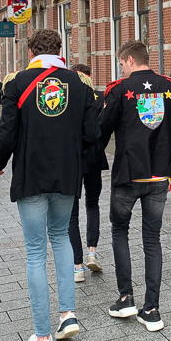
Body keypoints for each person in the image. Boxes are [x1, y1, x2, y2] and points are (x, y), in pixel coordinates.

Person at [0, 29, 100, 341]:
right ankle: (68, 315)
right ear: (60, 49)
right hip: (66, 174)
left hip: (31, 175)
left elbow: (6, 133)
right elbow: (92, 133)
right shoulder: (80, 84)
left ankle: (42, 336)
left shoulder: (18, 83)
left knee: (36, 252)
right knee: (61, 238)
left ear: (31, 51)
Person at [100, 40, 171, 333]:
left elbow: (101, 131)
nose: (121, 69)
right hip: (159, 173)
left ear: (129, 60)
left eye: (121, 64)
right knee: (152, 239)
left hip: (128, 174)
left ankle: (126, 298)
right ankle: (151, 309)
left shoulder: (119, 90)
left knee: (119, 231)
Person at [68, 64, 109, 284]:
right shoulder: (100, 97)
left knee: (71, 214)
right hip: (94, 156)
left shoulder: (68, 97)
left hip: (72, 159)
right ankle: (92, 251)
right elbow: (105, 128)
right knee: (92, 205)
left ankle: (77, 266)